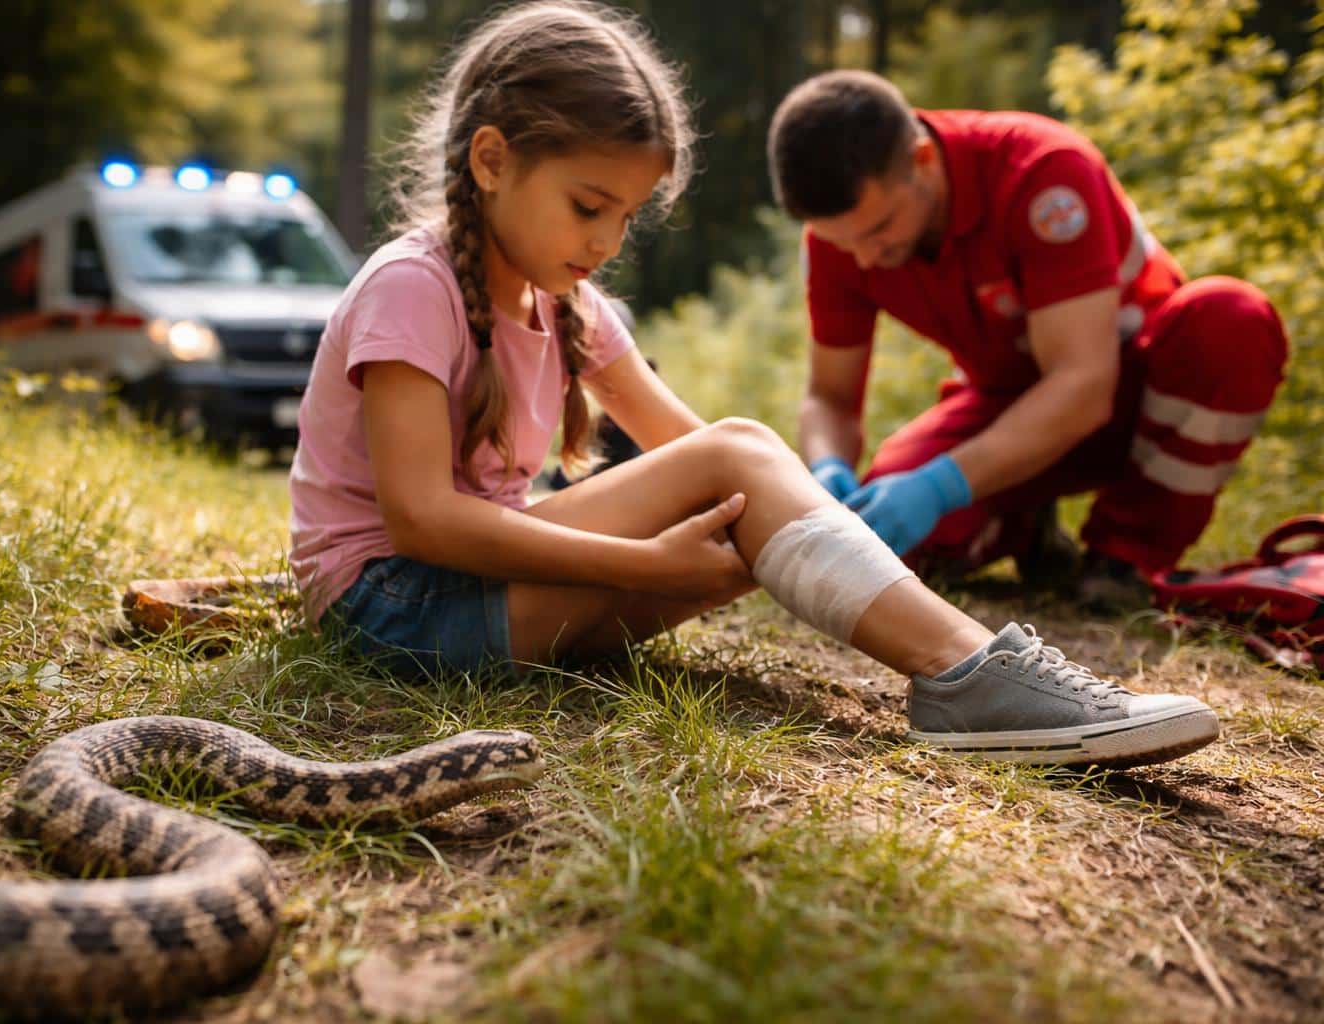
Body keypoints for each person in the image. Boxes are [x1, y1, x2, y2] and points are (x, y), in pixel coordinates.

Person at [287, 1, 1219, 767]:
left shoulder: (567, 302)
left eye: (628, 216)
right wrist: (647, 565)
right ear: (492, 160)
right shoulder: (412, 287)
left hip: (467, 592)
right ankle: (968, 672)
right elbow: (423, 521)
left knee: (744, 487)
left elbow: (702, 458)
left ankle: (975, 674)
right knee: (738, 458)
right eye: (588, 206)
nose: (607, 241)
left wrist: (804, 514)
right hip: (393, 607)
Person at [767, 70, 1289, 608]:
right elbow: (831, 397)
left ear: (922, 160)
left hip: (1138, 394)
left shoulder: (1043, 172)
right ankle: (1023, 525)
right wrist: (826, 470)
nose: (863, 259)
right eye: (843, 243)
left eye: (880, 230)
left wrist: (940, 486)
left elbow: (1084, 388)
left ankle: (1126, 556)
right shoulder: (843, 236)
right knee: (883, 539)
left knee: (1231, 318)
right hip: (1007, 405)